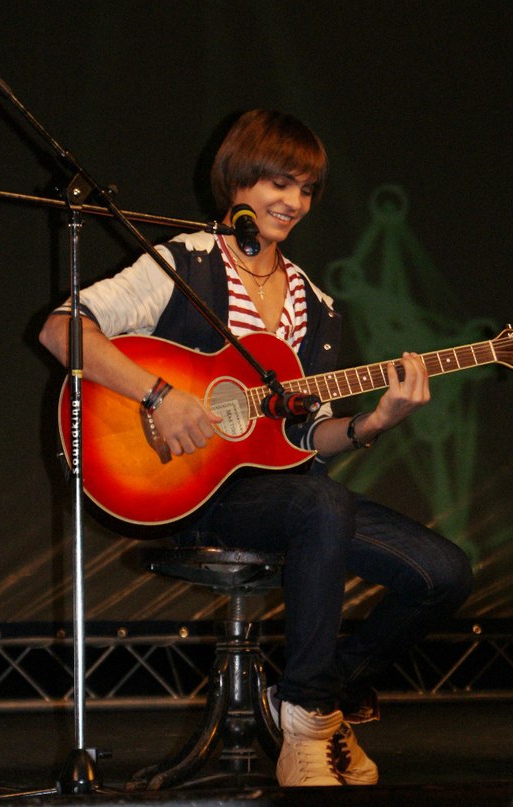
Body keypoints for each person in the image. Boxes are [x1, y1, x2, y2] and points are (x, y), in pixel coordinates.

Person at [39, 109, 474, 787]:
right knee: (321, 502)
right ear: (237, 179)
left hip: (285, 497)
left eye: (306, 189)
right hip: (189, 490)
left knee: (443, 572)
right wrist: (159, 395)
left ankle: (315, 694)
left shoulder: (315, 305)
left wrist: (376, 421)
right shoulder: (184, 264)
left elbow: (307, 436)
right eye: (279, 182)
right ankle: (307, 720)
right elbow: (61, 329)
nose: (294, 202)